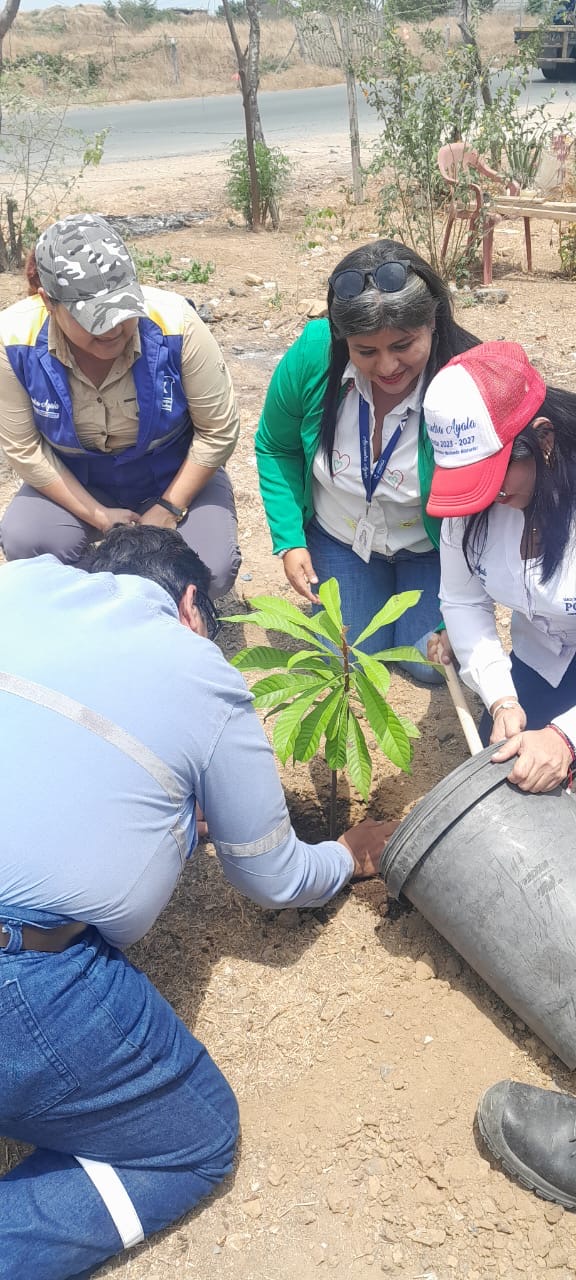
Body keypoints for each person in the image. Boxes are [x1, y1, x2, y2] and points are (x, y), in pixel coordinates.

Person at [0, 523, 395, 1280]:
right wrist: (346, 855)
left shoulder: (16, 585)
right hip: (20, 978)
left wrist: (172, 824)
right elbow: (273, 877)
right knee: (194, 1139)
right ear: (190, 606)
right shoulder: (197, 667)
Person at [255, 238, 479, 681]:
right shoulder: (314, 355)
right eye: (366, 351)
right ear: (343, 340)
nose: (388, 367)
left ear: (432, 322)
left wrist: (469, 597)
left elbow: (492, 500)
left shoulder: (466, 378)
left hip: (431, 549)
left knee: (429, 664)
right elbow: (276, 446)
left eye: (403, 345)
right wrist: (290, 539)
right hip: (343, 538)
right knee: (348, 660)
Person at [0, 212, 241, 598]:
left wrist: (169, 507)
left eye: (122, 309)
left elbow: (218, 431)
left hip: (172, 471)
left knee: (210, 567)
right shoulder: (13, 340)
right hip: (78, 477)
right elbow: (25, 449)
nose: (113, 329)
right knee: (28, 539)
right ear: (49, 302)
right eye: (94, 319)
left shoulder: (177, 323)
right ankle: (87, 605)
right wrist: (97, 515)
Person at [424, 340, 576, 795]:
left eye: (494, 475)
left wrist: (566, 738)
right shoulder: (469, 509)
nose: (487, 496)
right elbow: (463, 600)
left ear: (544, 441)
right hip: (543, 656)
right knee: (510, 774)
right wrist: (501, 696)